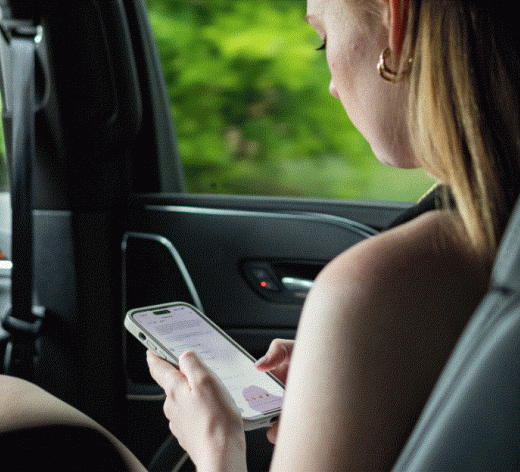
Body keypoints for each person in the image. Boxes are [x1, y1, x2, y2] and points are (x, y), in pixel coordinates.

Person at [147, 0, 520, 470]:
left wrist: (216, 447)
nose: (331, 85)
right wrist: (339, 369)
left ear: (396, 21)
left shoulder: (375, 290)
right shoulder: (500, 238)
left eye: (323, 38)